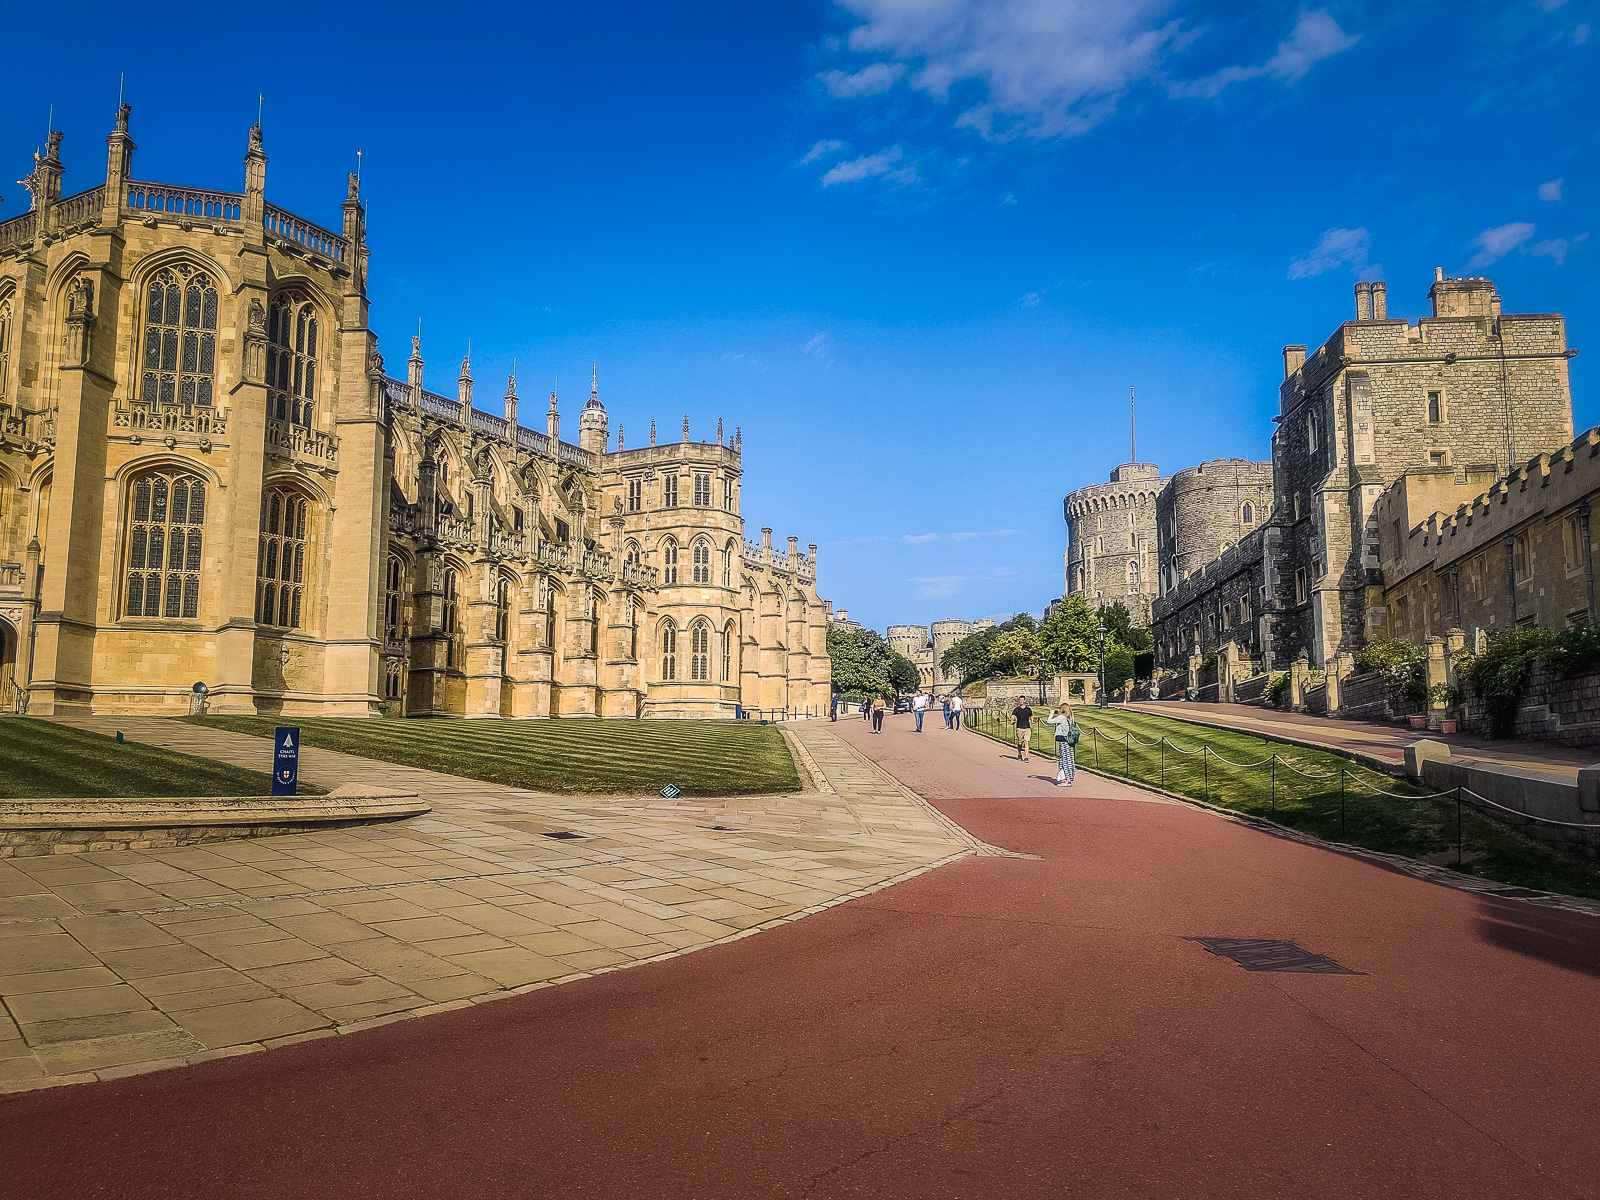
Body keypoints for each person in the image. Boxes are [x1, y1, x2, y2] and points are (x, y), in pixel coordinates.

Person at [1046, 703, 1078, 786]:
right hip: (1070, 741)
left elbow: (1049, 721)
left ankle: (1066, 780)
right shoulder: (1071, 718)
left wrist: (1051, 714)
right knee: (1069, 759)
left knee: (1064, 759)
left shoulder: (1062, 718)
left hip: (1064, 740)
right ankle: (1067, 778)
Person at [1010, 696, 1034, 761]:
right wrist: (1012, 720)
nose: (1021, 701)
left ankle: (1026, 757)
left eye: (1022, 700)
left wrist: (1032, 721)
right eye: (1020, 700)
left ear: (1025, 701)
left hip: (1027, 728)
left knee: (1026, 742)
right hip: (1019, 728)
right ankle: (1019, 753)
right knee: (1020, 743)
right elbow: (1013, 716)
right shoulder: (1016, 709)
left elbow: (1031, 716)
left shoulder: (1028, 709)